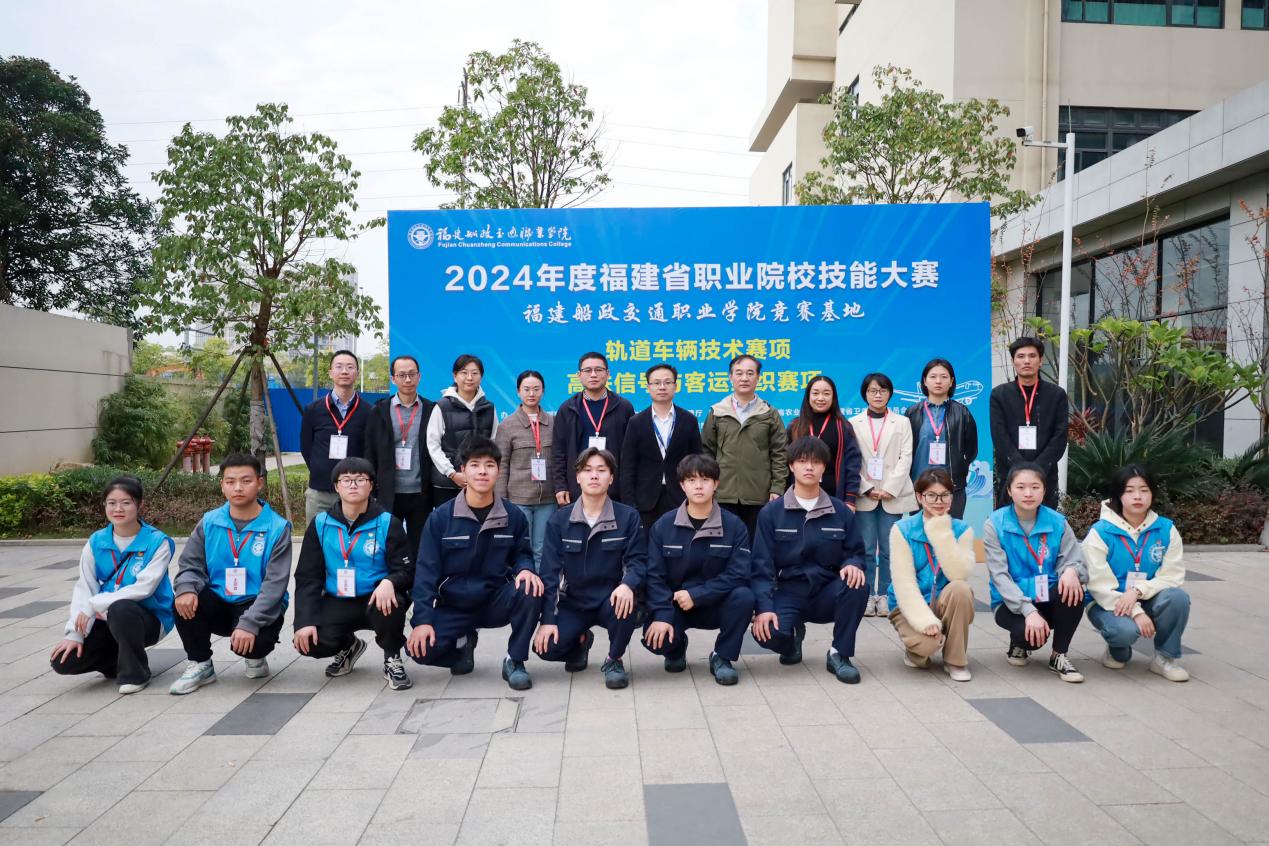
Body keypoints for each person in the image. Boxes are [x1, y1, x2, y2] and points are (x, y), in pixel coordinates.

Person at [407, 436, 544, 691]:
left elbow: (522, 554)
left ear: (498, 471)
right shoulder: (441, 518)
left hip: (495, 600)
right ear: (463, 470)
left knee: (531, 587)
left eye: (490, 465)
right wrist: (422, 620)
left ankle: (515, 660)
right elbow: (425, 573)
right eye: (475, 465)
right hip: (454, 605)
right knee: (419, 650)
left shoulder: (513, 516)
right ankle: (462, 643)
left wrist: (526, 569)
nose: (482, 471)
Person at [169, 454, 292, 694]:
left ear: (260, 483)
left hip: (256, 602)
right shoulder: (210, 521)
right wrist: (185, 588)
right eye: (230, 481)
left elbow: (274, 586)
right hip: (218, 599)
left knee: (255, 643)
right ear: (222, 485)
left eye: (246, 481)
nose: (237, 488)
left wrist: (249, 623)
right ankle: (201, 663)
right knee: (184, 599)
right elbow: (190, 564)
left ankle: (255, 656)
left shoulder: (277, 528)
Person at [750, 437, 869, 684]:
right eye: (802, 461)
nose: (809, 467)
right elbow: (761, 566)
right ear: (791, 466)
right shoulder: (771, 513)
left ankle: (839, 653)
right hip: (788, 591)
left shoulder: (840, 511)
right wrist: (764, 607)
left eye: (816, 462)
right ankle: (791, 638)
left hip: (827, 589)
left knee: (858, 584)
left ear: (824, 468)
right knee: (766, 634)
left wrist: (853, 564)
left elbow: (856, 551)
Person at [293, 458, 415, 690]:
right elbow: (308, 577)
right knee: (309, 642)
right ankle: (349, 646)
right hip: (338, 598)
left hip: (376, 598)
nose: (353, 485)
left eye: (360, 479)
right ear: (336, 486)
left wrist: (390, 581)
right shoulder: (321, 524)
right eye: (346, 480)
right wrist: (304, 621)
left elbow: (406, 569)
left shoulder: (388, 522)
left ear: (371, 485)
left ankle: (392, 658)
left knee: (392, 604)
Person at [50, 476, 176, 694]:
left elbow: (144, 588)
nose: (118, 509)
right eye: (111, 503)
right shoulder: (96, 542)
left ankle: (136, 674)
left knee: (121, 608)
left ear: (140, 504)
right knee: (64, 661)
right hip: (108, 618)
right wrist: (74, 634)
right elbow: (85, 586)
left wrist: (96, 604)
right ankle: (115, 663)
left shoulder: (158, 542)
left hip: (150, 619)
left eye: (126, 502)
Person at [534, 448, 647, 689]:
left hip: (611, 599)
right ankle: (580, 643)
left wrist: (627, 585)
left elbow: (638, 562)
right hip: (574, 601)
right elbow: (550, 573)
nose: (594, 476)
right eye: (587, 470)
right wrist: (548, 619)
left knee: (628, 605)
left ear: (611, 478)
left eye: (601, 470)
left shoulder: (628, 517)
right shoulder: (560, 520)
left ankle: (614, 659)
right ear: (578, 477)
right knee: (545, 648)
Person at [642, 454, 754, 686]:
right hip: (676, 604)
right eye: (691, 480)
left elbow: (738, 574)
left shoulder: (734, 526)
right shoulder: (663, 526)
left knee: (744, 597)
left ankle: (722, 656)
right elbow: (654, 576)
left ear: (716, 484)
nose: (699, 486)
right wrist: (662, 615)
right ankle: (676, 649)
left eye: (705, 479)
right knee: (655, 639)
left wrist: (698, 594)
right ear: (682, 485)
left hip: (717, 602)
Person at [1083, 464, 1190, 682]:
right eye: (1129, 490)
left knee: (1177, 598)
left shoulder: (1166, 529)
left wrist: (1138, 592)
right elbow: (1099, 586)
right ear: (1118, 495)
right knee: (1124, 632)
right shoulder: (1100, 532)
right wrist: (1136, 612)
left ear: (1153, 493)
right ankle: (1117, 650)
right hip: (1108, 603)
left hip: (1148, 597)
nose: (1138, 496)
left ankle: (1164, 658)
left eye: (1144, 490)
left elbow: (1172, 576)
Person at [985, 462, 1088, 683]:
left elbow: (1076, 560)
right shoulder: (995, 524)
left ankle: (1059, 655)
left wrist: (1071, 571)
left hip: (1046, 595)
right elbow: (999, 576)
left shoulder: (1058, 522)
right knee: (1029, 637)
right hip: (1010, 603)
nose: (1028, 493)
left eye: (1035, 487)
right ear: (1009, 490)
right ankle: (1018, 643)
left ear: (1044, 490)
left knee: (1074, 588)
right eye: (1021, 487)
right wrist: (1028, 611)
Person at [886, 468, 977, 681]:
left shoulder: (962, 530)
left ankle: (955, 661)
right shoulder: (902, 529)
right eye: (931, 495)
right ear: (919, 497)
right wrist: (924, 620)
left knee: (961, 589)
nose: (939, 501)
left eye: (945, 495)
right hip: (908, 605)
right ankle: (915, 652)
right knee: (927, 647)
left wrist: (941, 532)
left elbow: (959, 573)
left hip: (943, 601)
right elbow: (904, 583)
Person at [848, 372, 916, 618]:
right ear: (865, 394)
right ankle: (866, 595)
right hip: (864, 494)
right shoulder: (853, 423)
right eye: (872, 391)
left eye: (882, 390)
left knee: (889, 550)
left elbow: (906, 457)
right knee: (866, 549)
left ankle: (887, 595)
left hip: (891, 495)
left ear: (890, 393)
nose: (878, 395)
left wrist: (890, 488)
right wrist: (866, 487)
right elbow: (851, 459)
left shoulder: (902, 422)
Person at [702, 354, 788, 537]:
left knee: (756, 543)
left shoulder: (769, 414)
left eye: (750, 373)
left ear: (758, 378)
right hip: (723, 493)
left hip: (759, 495)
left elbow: (779, 454)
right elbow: (706, 452)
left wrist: (777, 488)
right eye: (739, 373)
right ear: (730, 377)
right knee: (724, 542)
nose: (744, 378)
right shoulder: (717, 412)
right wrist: (709, 486)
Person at [367, 354, 435, 560]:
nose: (407, 379)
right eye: (402, 375)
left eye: (412, 374)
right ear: (393, 378)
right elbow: (370, 451)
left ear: (419, 377)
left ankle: (415, 581)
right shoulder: (379, 410)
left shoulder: (432, 409)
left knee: (419, 547)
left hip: (421, 493)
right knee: (389, 545)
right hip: (389, 493)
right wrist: (372, 488)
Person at [620, 363, 703, 531]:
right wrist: (629, 504)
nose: (662, 387)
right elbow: (628, 465)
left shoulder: (689, 420)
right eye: (656, 383)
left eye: (667, 382)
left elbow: (697, 461)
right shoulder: (636, 422)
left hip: (680, 497)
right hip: (645, 500)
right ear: (648, 387)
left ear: (675, 386)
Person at [989, 337, 1068, 509]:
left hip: (1045, 474)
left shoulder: (1056, 395)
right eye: (1021, 356)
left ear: (1041, 360)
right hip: (1010, 474)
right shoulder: (999, 395)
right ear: (1013, 361)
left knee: (1045, 522)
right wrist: (1021, 469)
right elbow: (999, 436)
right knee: (1009, 522)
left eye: (1032, 356)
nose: (1026, 361)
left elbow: (1060, 436)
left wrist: (1037, 469)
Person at [300, 349, 374, 526]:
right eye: (339, 367)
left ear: (357, 373)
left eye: (350, 367)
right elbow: (306, 448)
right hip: (320, 493)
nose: (344, 371)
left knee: (354, 539)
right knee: (317, 539)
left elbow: (370, 451)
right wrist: (321, 469)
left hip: (355, 492)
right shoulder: (313, 410)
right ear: (330, 373)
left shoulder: (369, 412)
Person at [551, 351, 635, 506]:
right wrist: (560, 486)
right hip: (577, 488)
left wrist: (628, 489)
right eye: (588, 370)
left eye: (599, 370)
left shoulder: (624, 407)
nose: (593, 375)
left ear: (608, 374)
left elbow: (631, 453)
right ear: (579, 375)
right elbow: (558, 451)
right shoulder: (567, 408)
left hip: (615, 489)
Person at [495, 370, 556, 570]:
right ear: (518, 392)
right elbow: (502, 464)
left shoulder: (553, 423)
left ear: (543, 391)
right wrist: (501, 500)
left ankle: (542, 587)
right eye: (526, 389)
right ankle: (522, 585)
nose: (531, 393)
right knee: (521, 548)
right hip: (518, 500)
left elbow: (560, 459)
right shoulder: (507, 425)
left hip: (548, 500)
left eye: (536, 389)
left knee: (542, 548)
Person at [904, 358, 978, 519]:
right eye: (933, 376)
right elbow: (904, 450)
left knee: (951, 531)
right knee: (920, 532)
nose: (938, 381)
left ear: (951, 382)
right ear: (925, 381)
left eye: (944, 377)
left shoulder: (962, 413)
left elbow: (971, 450)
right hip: (920, 486)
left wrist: (959, 469)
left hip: (952, 487)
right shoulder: (912, 413)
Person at [427, 353, 497, 507]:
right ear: (455, 376)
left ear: (481, 377)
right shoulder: (442, 406)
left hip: (479, 483)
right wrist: (452, 473)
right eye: (464, 373)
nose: (469, 378)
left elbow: (493, 443)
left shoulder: (489, 408)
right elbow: (433, 445)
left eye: (475, 373)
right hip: (447, 485)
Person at [785, 375, 861, 508]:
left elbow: (853, 465)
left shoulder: (843, 426)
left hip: (834, 497)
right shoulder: (795, 426)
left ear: (833, 397)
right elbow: (785, 463)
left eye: (826, 393)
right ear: (808, 396)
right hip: (798, 499)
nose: (820, 398)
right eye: (815, 393)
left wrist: (850, 499)